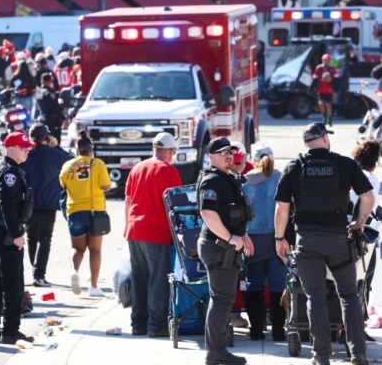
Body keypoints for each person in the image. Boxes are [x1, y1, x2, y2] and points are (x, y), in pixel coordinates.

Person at [275, 123, 374, 365]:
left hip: (307, 241)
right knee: (350, 295)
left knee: (315, 297)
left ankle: (321, 356)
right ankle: (358, 354)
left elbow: (282, 209)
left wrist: (280, 239)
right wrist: (358, 223)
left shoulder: (294, 167)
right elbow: (368, 197)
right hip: (338, 240)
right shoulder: (344, 164)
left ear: (305, 143)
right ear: (325, 139)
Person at [197, 137, 254, 365]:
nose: (228, 155)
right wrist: (231, 237)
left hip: (226, 244)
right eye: (222, 152)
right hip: (219, 246)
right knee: (221, 300)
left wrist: (244, 235)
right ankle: (215, 353)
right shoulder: (212, 181)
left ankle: (217, 351)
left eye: (230, 151)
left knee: (223, 299)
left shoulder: (228, 179)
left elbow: (233, 214)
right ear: (211, 157)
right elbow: (207, 214)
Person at [123, 132, 183, 337]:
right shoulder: (169, 171)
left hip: (134, 230)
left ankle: (138, 324)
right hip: (155, 231)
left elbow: (128, 201)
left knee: (139, 278)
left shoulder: (137, 168)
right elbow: (176, 205)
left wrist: (127, 226)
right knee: (157, 280)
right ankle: (157, 326)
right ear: (170, 151)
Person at [0, 131, 35, 344]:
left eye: (28, 149)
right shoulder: (10, 174)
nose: (27, 152)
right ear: (11, 149)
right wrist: (16, 235)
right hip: (6, 232)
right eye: (23, 149)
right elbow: (6, 205)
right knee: (13, 285)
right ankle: (10, 331)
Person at [241, 145, 286, 342]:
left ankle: (256, 331)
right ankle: (278, 330)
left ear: (254, 160)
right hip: (276, 236)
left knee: (254, 284)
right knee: (278, 284)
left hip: (252, 238)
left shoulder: (245, 181)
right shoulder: (280, 178)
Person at [59, 131, 112, 297]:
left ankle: (74, 271)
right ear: (91, 149)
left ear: (77, 149)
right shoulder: (98, 164)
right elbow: (105, 186)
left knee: (77, 248)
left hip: (74, 211)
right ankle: (94, 287)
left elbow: (62, 184)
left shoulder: (68, 166)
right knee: (95, 250)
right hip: (95, 211)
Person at [21, 124, 71, 287]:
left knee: (32, 237)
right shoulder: (54, 154)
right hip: (48, 204)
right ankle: (39, 274)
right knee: (44, 239)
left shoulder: (25, 154)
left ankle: (35, 272)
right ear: (46, 137)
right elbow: (72, 163)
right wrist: (57, 146)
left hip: (28, 204)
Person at [34, 73, 65, 143]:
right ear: (51, 81)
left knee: (44, 140)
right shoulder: (49, 93)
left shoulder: (38, 93)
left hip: (42, 119)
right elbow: (54, 107)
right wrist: (62, 118)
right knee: (54, 140)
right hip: (52, 120)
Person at [314, 53, 338, 127]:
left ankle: (329, 119)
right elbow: (315, 78)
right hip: (321, 89)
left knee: (328, 105)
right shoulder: (319, 68)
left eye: (327, 60)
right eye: (324, 60)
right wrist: (313, 88)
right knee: (321, 103)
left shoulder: (332, 69)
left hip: (329, 89)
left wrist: (330, 81)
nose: (325, 61)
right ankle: (324, 117)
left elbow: (336, 78)